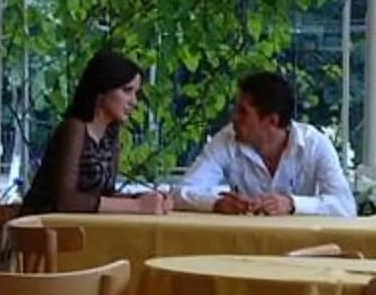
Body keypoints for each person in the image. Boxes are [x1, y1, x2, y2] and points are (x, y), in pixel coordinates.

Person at [175, 71, 356, 216]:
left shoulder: (315, 144)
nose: (234, 117)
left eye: (243, 112)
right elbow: (181, 192)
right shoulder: (227, 139)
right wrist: (216, 203)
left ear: (272, 121)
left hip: (304, 247)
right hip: (244, 246)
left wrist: (292, 204)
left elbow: (345, 207)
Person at [21, 49, 174, 215]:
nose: (134, 102)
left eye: (135, 93)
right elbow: (65, 201)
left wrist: (145, 199)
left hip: (78, 230)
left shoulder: (110, 138)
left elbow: (102, 197)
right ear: (102, 90)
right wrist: (136, 206)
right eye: (127, 90)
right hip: (41, 231)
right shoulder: (74, 129)